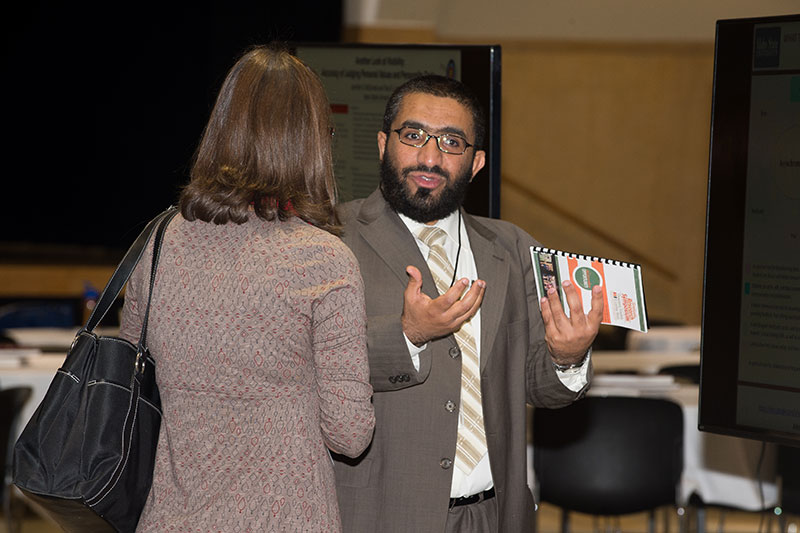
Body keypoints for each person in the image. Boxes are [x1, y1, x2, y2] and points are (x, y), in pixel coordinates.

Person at [119, 45, 375, 532]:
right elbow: (349, 434)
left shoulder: (157, 242)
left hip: (170, 518)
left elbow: (135, 370)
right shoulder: (323, 260)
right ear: (311, 142)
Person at [331, 75, 603, 532]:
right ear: (382, 144)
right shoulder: (332, 240)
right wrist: (407, 334)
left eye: (451, 142)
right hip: (379, 515)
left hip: (494, 516)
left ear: (476, 163)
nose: (430, 157)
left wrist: (567, 356)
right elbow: (309, 368)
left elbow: (539, 387)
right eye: (414, 136)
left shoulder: (512, 249)